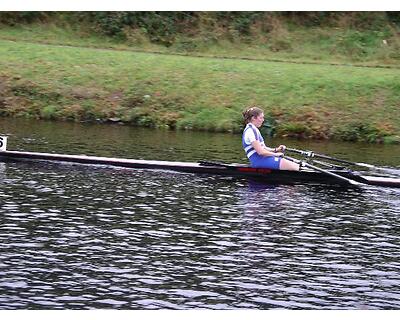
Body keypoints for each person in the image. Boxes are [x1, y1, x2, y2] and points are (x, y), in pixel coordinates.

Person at [242, 106, 299, 171]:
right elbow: (261, 152)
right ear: (253, 118)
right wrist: (276, 155)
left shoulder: (253, 129)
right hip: (260, 161)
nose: (263, 120)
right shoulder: (251, 131)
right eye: (261, 118)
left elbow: (264, 148)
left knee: (294, 165)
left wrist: (276, 149)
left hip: (263, 159)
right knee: (295, 167)